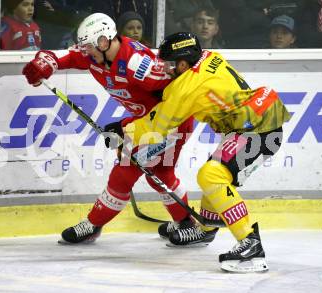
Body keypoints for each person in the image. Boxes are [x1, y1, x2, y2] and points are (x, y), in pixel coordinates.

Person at [119, 32, 291, 272]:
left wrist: (122, 129)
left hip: (260, 130)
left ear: (182, 63)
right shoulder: (209, 56)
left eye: (169, 64)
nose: (165, 70)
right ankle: (206, 228)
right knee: (215, 174)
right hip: (259, 121)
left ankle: (251, 246)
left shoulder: (186, 88)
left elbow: (156, 127)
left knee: (212, 175)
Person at [22, 13, 200, 244]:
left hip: (171, 122)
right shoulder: (94, 55)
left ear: (104, 41)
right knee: (160, 174)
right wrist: (42, 64)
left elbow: (179, 95)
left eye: (88, 47)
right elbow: (59, 56)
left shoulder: (139, 65)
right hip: (146, 122)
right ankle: (186, 223)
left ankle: (94, 224)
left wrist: (134, 128)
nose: (84, 52)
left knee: (124, 174)